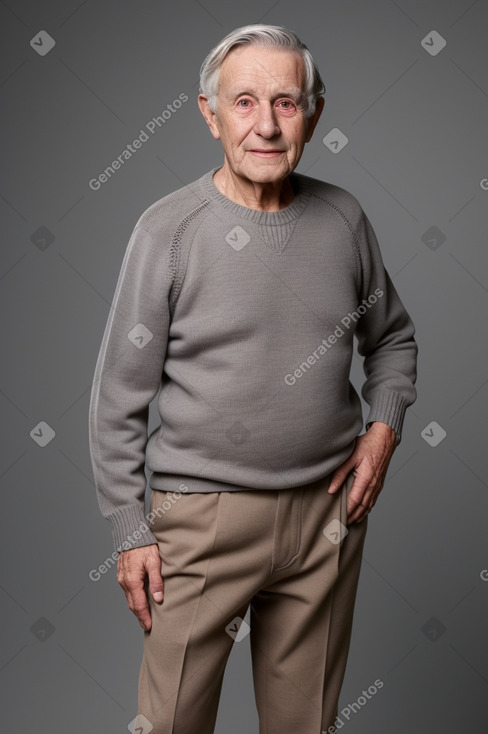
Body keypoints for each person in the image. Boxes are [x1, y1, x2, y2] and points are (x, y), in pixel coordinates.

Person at [88, 23, 417, 734]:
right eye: (242, 102)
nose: (265, 125)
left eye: (286, 103)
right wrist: (128, 527)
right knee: (171, 723)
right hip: (201, 524)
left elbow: (390, 337)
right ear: (208, 115)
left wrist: (382, 429)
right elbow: (117, 397)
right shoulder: (167, 232)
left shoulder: (342, 218)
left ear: (314, 114)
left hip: (327, 516)